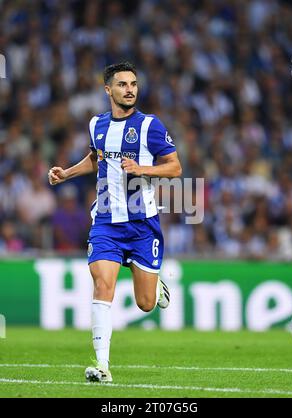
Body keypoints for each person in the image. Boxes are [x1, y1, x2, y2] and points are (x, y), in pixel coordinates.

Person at [48, 62, 182, 382]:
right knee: (102, 284)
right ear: (108, 90)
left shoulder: (150, 125)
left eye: (133, 83)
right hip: (106, 220)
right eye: (122, 84)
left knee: (146, 303)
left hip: (142, 224)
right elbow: (97, 158)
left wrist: (143, 170)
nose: (130, 89)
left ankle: (152, 280)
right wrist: (66, 173)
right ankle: (103, 365)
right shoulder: (97, 124)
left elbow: (175, 168)